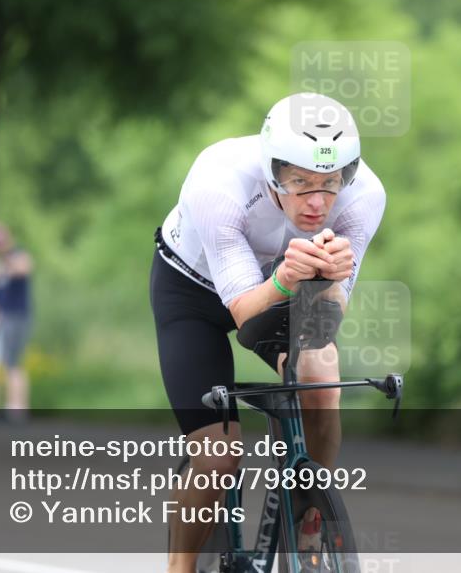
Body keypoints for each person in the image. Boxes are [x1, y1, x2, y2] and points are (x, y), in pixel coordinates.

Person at [150, 92, 386, 572]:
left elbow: (330, 313)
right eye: (299, 182)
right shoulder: (219, 179)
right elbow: (242, 309)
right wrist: (284, 280)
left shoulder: (365, 196)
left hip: (287, 280)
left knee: (320, 381)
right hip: (194, 290)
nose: (318, 202)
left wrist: (331, 282)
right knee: (218, 458)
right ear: (270, 170)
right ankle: (179, 566)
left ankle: (308, 523)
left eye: (330, 183)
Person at [0, 222, 34, 411]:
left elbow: (24, 268)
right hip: (4, 317)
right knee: (8, 363)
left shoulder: (18, 255)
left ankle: (17, 406)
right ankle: (12, 404)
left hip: (17, 316)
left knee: (13, 362)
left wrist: (5, 256)